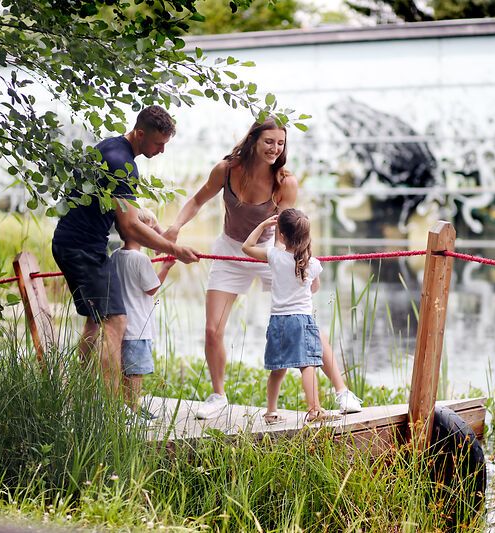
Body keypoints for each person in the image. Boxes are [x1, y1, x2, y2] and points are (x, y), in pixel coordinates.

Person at [164, 117, 362, 419]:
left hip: (272, 250)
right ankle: (218, 395)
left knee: (305, 321)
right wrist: (175, 226)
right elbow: (197, 199)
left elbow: (290, 231)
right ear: (253, 140)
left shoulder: (284, 182)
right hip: (230, 249)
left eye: (280, 143)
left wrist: (299, 264)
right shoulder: (226, 169)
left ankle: (342, 391)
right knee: (212, 329)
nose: (275, 148)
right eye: (269, 141)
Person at [52, 105, 199, 398]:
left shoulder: (110, 147)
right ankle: (111, 409)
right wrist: (174, 249)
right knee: (116, 320)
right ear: (140, 133)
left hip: (71, 243)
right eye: (158, 143)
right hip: (83, 249)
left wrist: (150, 223)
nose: (161, 150)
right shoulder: (123, 163)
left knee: (95, 319)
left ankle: (83, 397)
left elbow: (121, 211)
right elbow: (129, 226)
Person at [242, 209, 339, 424]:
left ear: (282, 235)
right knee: (308, 365)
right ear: (306, 236)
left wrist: (263, 226)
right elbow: (315, 288)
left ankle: (271, 412)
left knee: (278, 369)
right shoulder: (312, 264)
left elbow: (246, 247)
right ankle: (314, 410)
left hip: (278, 320)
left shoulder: (274, 256)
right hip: (301, 321)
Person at [113, 209, 175, 420]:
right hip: (138, 326)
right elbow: (151, 288)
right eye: (150, 230)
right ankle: (133, 409)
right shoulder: (141, 259)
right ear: (139, 232)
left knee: (124, 369)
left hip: (120, 325)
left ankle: (126, 406)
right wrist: (166, 267)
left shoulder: (115, 255)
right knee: (135, 372)